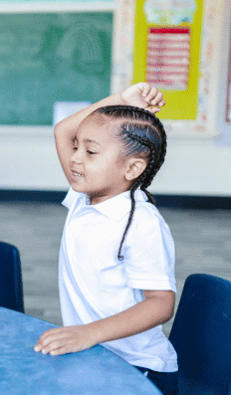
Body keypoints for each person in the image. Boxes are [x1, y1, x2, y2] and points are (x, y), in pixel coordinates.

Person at [34, 83, 178, 395]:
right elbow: (63, 130)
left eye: (90, 152)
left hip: (140, 369)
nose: (75, 159)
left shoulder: (142, 223)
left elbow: (161, 304)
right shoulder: (84, 197)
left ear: (132, 168)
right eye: (77, 149)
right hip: (97, 354)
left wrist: (88, 333)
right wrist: (122, 100)